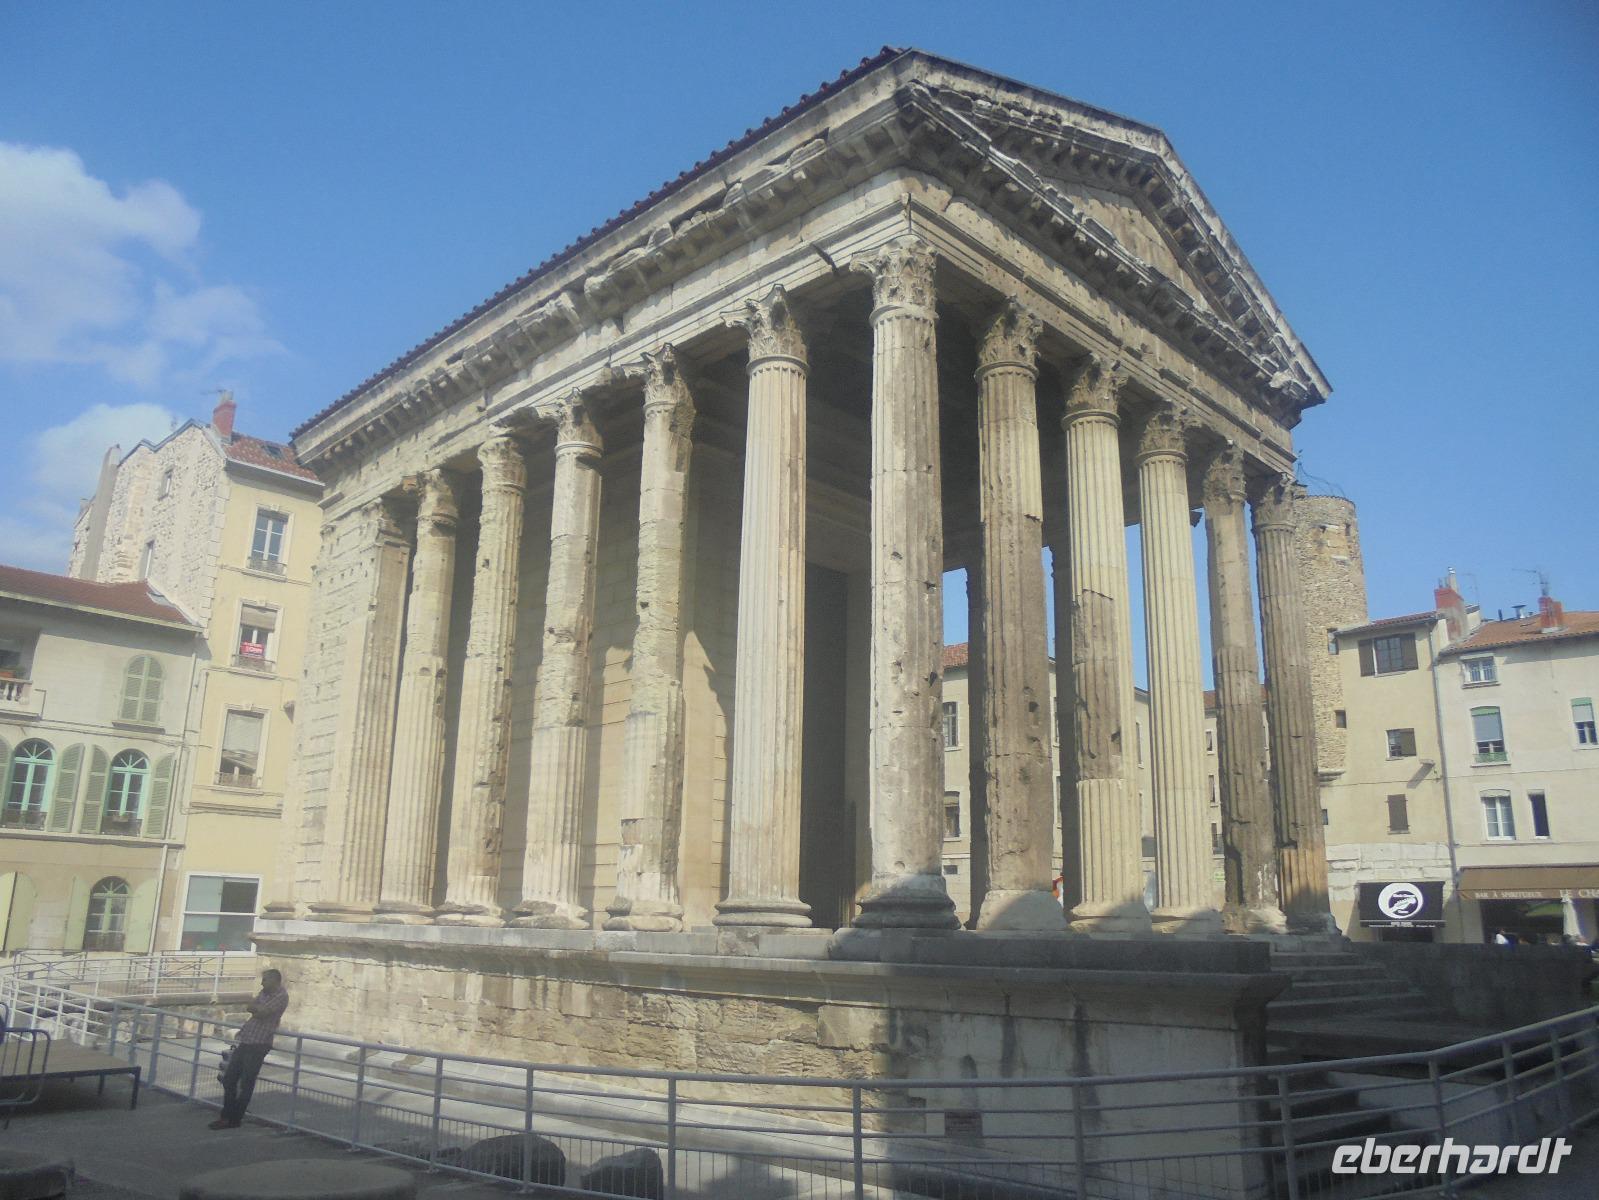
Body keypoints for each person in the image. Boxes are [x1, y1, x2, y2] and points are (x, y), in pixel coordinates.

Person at [210, 968, 289, 1130]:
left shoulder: (281, 996)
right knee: (229, 1079)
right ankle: (227, 1115)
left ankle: (234, 1118)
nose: (262, 983)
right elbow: (251, 1007)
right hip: (246, 1040)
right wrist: (256, 1007)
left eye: (265, 980)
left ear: (274, 980)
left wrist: (256, 1007)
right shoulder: (264, 993)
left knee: (247, 1082)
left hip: (259, 1043)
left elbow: (262, 1012)